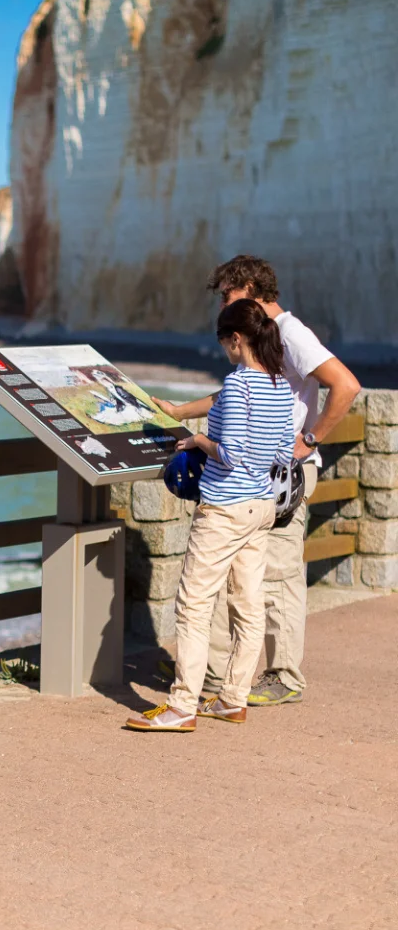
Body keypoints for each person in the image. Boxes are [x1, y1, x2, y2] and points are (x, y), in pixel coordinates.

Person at [153, 256, 361, 706]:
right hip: (258, 474)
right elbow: (236, 391)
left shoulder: (290, 332)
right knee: (238, 579)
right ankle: (214, 675)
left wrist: (309, 440)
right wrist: (178, 410)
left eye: (227, 296)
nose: (223, 305)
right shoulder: (261, 338)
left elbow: (345, 385)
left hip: (281, 473)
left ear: (249, 287)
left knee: (278, 574)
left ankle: (284, 675)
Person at [126, 298, 295, 731]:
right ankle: (233, 699)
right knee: (248, 606)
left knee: (193, 605)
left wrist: (198, 442)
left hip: (225, 509)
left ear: (236, 339)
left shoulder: (238, 385)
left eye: (224, 343)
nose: (224, 351)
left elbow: (231, 453)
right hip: (260, 507)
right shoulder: (280, 384)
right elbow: (282, 453)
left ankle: (182, 706)